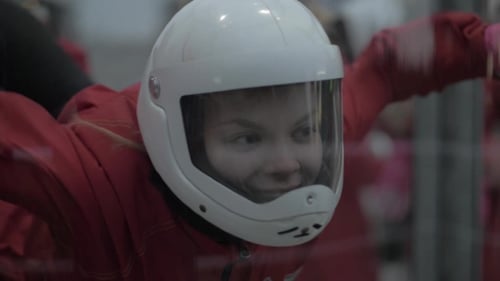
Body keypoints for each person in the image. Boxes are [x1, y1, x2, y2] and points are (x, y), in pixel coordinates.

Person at [0, 0, 499, 280]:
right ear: (181, 135)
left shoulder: (311, 125)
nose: (287, 164)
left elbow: (388, 68)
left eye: (304, 131)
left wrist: (485, 45)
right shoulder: (88, 179)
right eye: (246, 139)